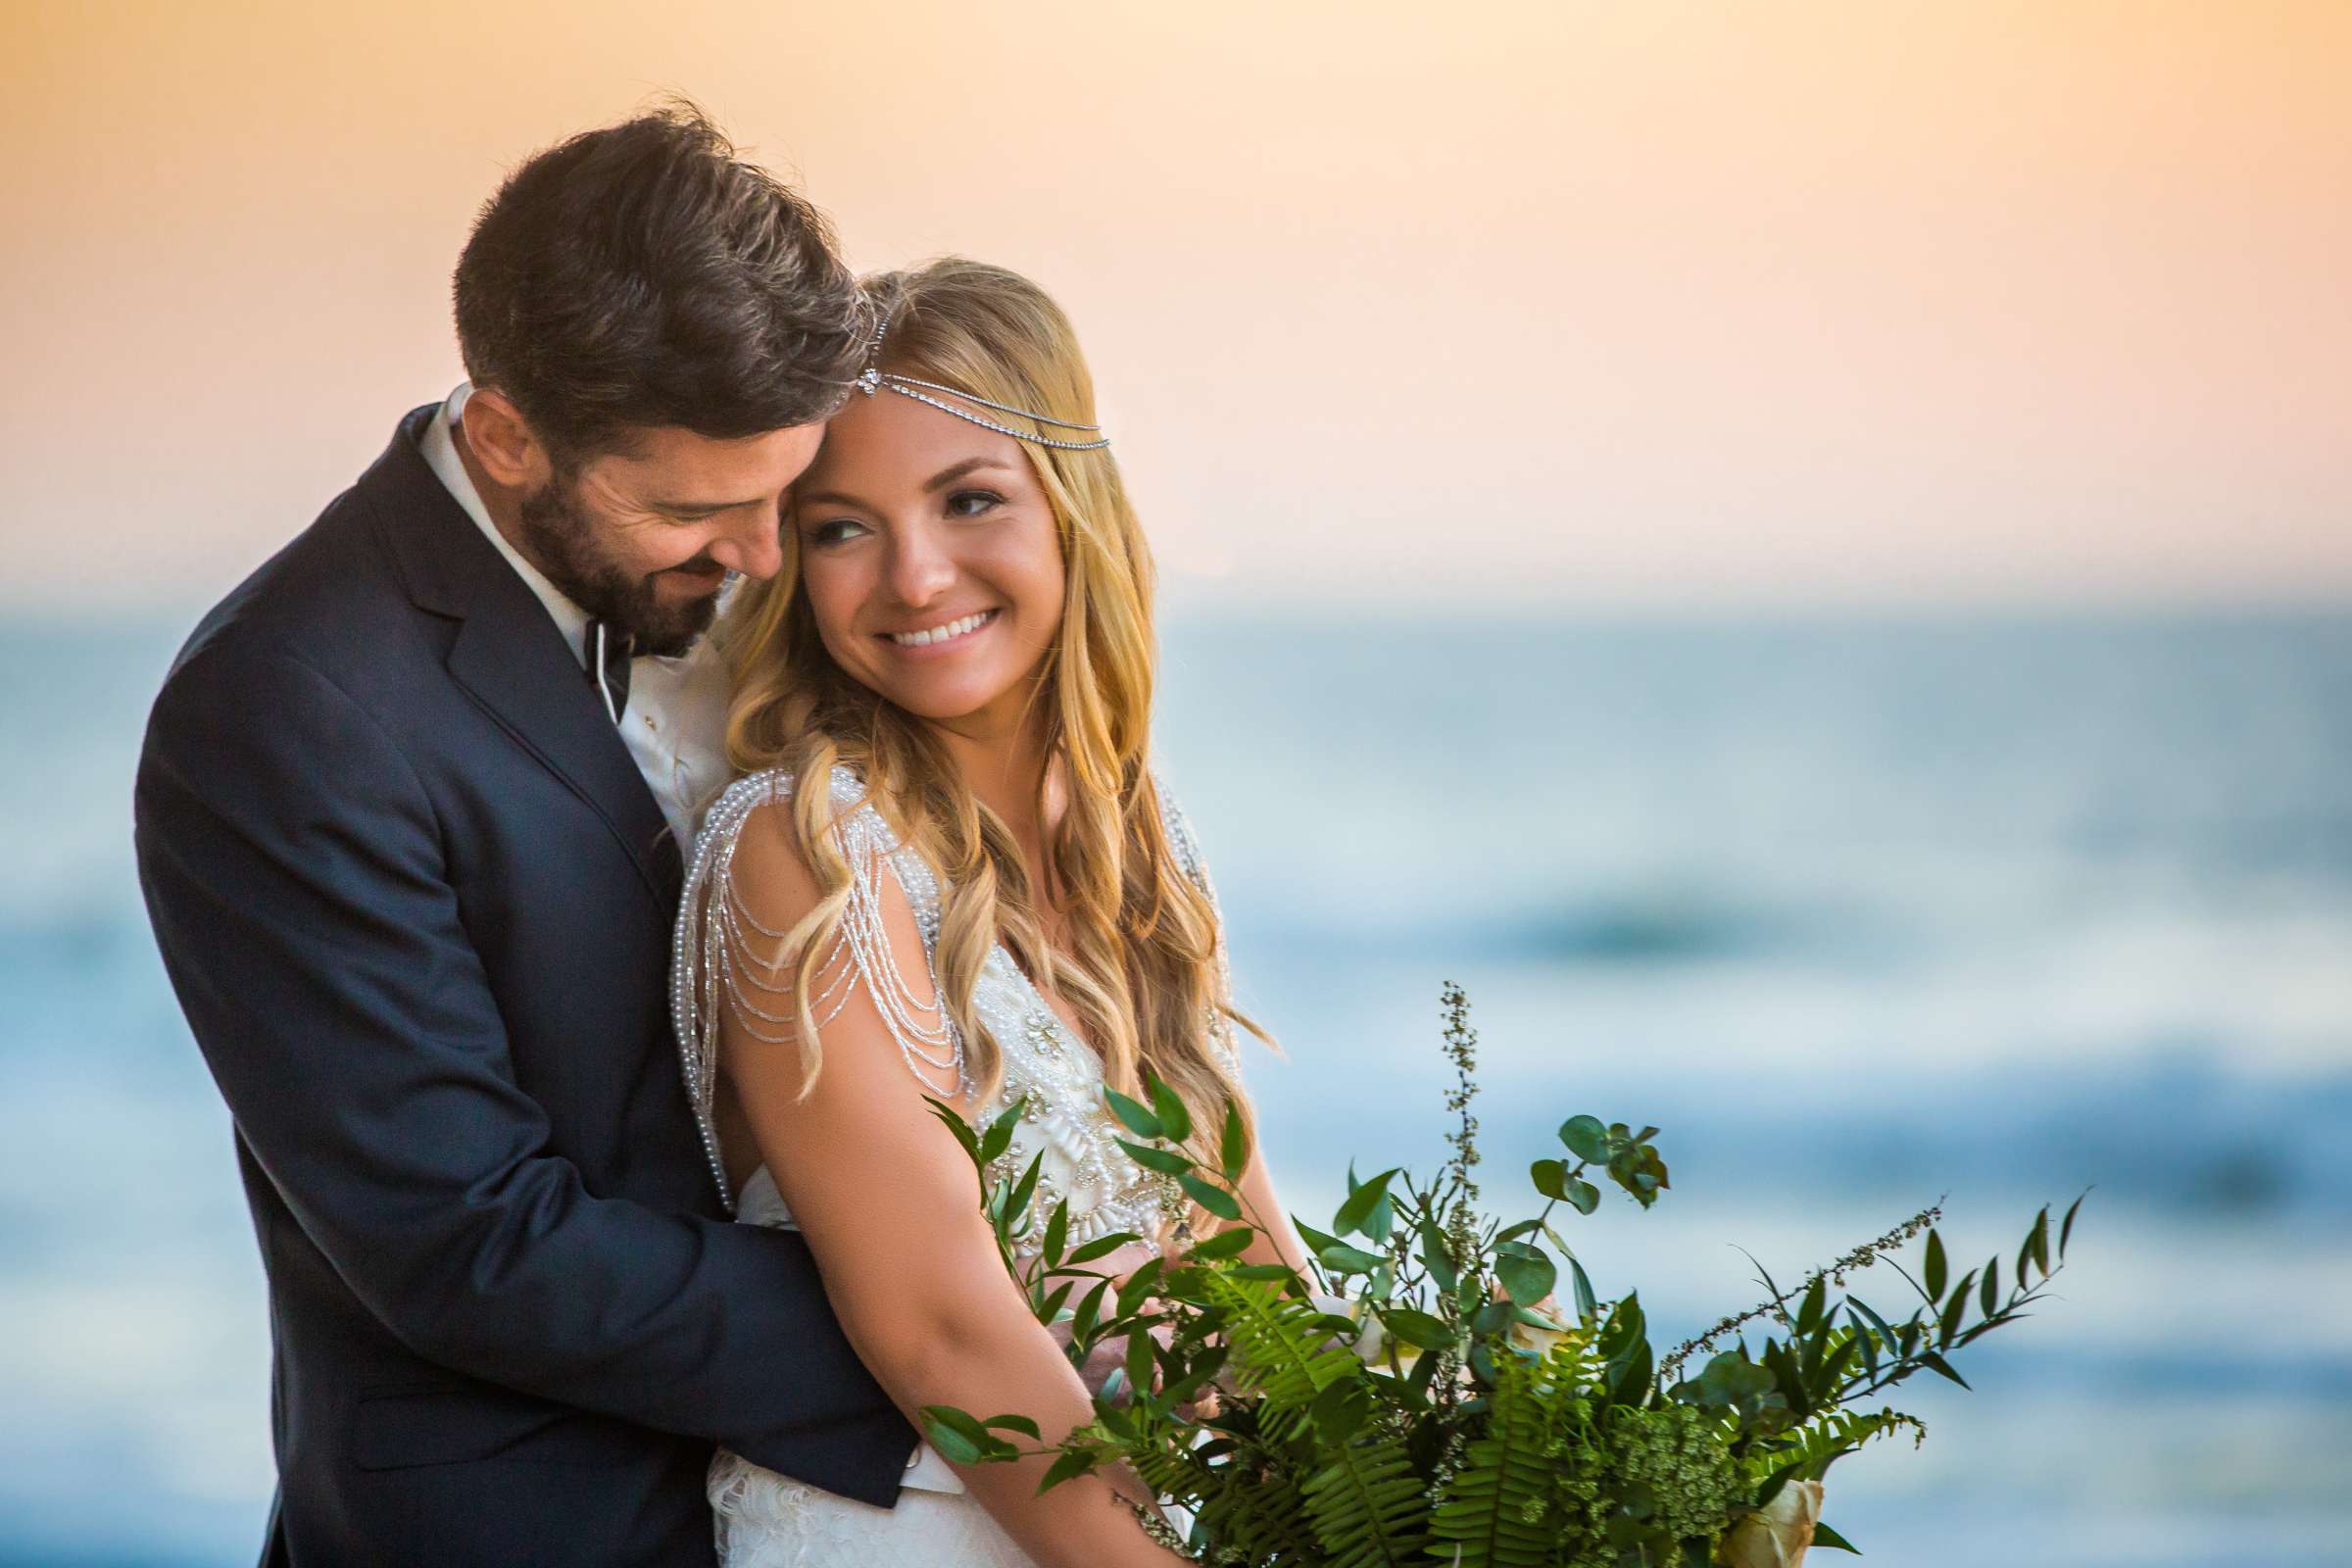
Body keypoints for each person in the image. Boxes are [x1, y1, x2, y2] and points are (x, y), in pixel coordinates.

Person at [131, 107, 922, 1566]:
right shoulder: (283, 707)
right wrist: (947, 1338)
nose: (760, 559)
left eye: (784, 496)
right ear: (504, 434)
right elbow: (469, 1242)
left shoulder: (762, 578)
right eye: (699, 509)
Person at [673, 258, 1308, 1568]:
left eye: (968, 501)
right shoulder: (806, 853)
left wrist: (1429, 1493)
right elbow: (939, 1329)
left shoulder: (1137, 828)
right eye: (841, 525)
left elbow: (1242, 1255)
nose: (912, 576)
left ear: (1074, 508)